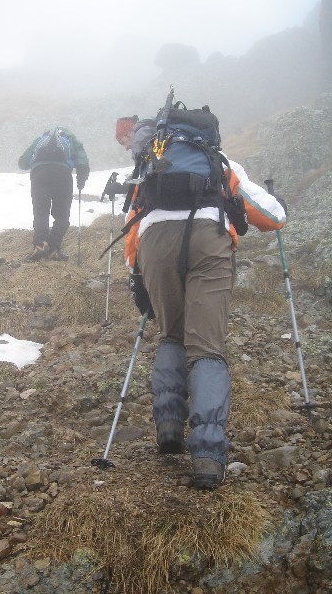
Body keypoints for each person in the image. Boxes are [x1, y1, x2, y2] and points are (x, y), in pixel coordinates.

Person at [118, 111, 287, 490]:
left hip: (155, 243)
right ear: (208, 135)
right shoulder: (220, 162)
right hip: (208, 240)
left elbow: (132, 225)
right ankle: (207, 454)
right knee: (207, 348)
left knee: (171, 335)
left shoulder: (151, 165)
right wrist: (281, 207)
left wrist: (138, 276)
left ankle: (168, 425)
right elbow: (270, 216)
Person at [19, 126, 90, 261]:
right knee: (62, 215)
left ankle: (41, 244)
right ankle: (53, 248)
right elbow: (82, 162)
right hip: (62, 175)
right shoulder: (71, 140)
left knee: (41, 212)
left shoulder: (40, 139)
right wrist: (81, 181)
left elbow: (22, 163)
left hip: (39, 174)